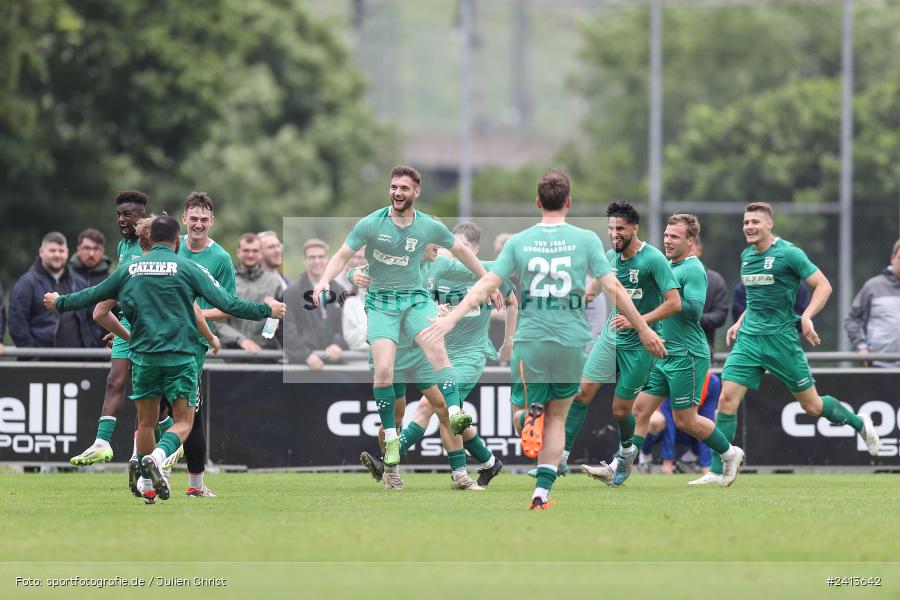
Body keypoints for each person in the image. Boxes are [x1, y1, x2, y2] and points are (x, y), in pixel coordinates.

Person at [420, 169, 666, 509]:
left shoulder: (520, 242)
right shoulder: (587, 240)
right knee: (558, 419)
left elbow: (484, 286)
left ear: (537, 202)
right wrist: (644, 328)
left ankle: (527, 419)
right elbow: (614, 289)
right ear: (569, 202)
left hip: (531, 340)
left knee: (521, 414)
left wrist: (450, 322)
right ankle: (541, 493)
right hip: (570, 342)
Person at [45, 215, 285, 502]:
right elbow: (228, 303)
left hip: (144, 358)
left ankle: (147, 486)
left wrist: (59, 302)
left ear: (149, 239)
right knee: (183, 421)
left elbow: (93, 296)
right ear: (176, 241)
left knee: (146, 423)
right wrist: (266, 311)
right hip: (180, 357)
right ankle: (158, 458)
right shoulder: (188, 267)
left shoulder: (130, 268)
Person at [311, 165, 489, 487]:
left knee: (437, 357)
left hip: (414, 307)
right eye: (394, 187)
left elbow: (463, 252)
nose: (397, 192)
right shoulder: (372, 224)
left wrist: (489, 280)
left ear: (416, 192)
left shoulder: (432, 241)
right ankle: (392, 456)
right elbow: (346, 257)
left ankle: (465, 466)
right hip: (383, 310)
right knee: (385, 382)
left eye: (404, 188)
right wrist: (329, 278)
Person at [691, 202, 880, 485]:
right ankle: (719, 470)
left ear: (769, 224)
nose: (749, 227)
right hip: (750, 341)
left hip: (781, 341)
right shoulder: (746, 256)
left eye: (755, 221)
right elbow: (757, 298)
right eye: (745, 222)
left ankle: (858, 422)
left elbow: (823, 285)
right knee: (726, 400)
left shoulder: (789, 253)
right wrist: (740, 321)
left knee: (813, 407)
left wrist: (806, 316)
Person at [357, 222, 518, 489]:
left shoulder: (479, 273)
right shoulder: (439, 270)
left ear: (475, 250)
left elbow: (511, 297)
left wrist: (508, 342)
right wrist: (434, 309)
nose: (454, 253)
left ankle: (387, 461)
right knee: (445, 411)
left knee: (430, 406)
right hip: (438, 351)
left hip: (470, 354)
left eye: (462, 249)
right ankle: (487, 462)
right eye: (449, 248)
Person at [588, 214, 743, 487]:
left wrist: (646, 313)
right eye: (667, 235)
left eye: (675, 236)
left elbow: (694, 309)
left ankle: (730, 454)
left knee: (685, 420)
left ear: (690, 241)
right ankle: (619, 465)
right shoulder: (663, 265)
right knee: (639, 409)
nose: (668, 240)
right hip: (662, 351)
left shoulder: (693, 269)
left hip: (688, 354)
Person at [568, 201, 680, 485]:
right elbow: (591, 293)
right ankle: (558, 458)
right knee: (582, 392)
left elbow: (674, 303)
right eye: (610, 229)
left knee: (620, 410)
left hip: (641, 345)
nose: (614, 234)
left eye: (620, 229)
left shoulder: (654, 259)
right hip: (611, 337)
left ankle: (627, 451)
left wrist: (637, 321)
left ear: (634, 228)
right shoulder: (609, 258)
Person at [176, 191, 236, 497]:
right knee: (159, 410)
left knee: (190, 412)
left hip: (195, 342)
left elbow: (228, 306)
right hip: (163, 336)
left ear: (212, 221)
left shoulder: (221, 258)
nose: (197, 224)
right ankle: (149, 474)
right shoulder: (171, 249)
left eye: (203, 219)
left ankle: (194, 485)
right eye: (193, 219)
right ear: (183, 218)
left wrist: (195, 314)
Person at [9, 232, 99, 350]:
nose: (57, 255)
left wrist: (91, 348)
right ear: (41, 252)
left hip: (79, 362)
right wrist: (31, 356)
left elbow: (93, 318)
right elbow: (17, 323)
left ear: (67, 252)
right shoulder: (26, 284)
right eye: (52, 250)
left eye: (61, 251)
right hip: (41, 363)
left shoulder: (79, 283)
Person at [638, 370, 721, 475]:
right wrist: (667, 462)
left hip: (688, 428)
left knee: (715, 421)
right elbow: (669, 422)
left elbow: (707, 419)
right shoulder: (674, 376)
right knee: (655, 421)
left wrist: (706, 467)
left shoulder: (712, 382)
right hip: (665, 428)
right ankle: (645, 456)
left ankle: (687, 461)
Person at [283, 239, 348, 369]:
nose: (317, 261)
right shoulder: (291, 292)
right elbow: (287, 330)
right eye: (312, 257)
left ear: (328, 259)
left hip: (334, 365)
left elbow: (345, 327)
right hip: (302, 367)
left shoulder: (340, 291)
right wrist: (305, 355)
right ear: (304, 260)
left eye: (321, 256)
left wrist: (338, 344)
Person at [216, 233, 284, 356]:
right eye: (246, 250)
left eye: (255, 250)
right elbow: (217, 323)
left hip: (265, 356)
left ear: (261, 253)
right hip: (232, 356)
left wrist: (269, 329)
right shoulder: (226, 280)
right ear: (238, 252)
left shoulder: (274, 282)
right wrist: (241, 340)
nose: (250, 255)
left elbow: (280, 321)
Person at [845, 239, 900, 368]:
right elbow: (852, 320)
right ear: (892, 259)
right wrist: (861, 347)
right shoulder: (873, 286)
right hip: (879, 366)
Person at [692, 235, 729, 355]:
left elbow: (720, 315)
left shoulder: (714, 280)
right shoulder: (668, 276)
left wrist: (692, 317)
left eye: (690, 247)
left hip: (703, 346)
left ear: (699, 250)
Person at [340, 249, 369, 351]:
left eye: (360, 257)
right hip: (354, 360)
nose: (356, 261)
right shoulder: (350, 302)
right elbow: (349, 339)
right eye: (353, 257)